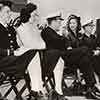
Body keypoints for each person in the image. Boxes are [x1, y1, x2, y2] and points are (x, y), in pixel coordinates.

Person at [0, 1, 36, 100]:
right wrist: (10, 52)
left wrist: (20, 49)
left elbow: (15, 46)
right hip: (3, 61)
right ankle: (35, 90)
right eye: (7, 12)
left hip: (12, 59)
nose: (10, 14)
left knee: (32, 53)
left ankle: (35, 91)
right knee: (31, 55)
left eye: (10, 12)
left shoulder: (10, 29)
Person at [65, 14, 100, 99]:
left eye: (74, 23)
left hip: (81, 59)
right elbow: (69, 50)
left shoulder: (78, 35)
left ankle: (90, 88)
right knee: (87, 58)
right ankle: (92, 87)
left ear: (77, 24)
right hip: (72, 60)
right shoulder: (67, 35)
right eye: (70, 23)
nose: (72, 25)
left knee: (86, 60)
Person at [16, 3, 46, 100]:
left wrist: (37, 45)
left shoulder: (34, 28)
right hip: (22, 57)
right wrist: (38, 45)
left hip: (33, 55)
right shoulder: (21, 28)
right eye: (34, 15)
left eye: (36, 15)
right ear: (27, 15)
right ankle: (37, 90)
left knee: (35, 53)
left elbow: (42, 44)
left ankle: (35, 91)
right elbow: (29, 45)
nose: (35, 18)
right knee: (34, 53)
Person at [41, 12, 69, 100]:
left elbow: (61, 42)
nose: (60, 24)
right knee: (84, 51)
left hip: (57, 56)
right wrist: (64, 38)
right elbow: (58, 42)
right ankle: (58, 91)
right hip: (51, 60)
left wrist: (63, 40)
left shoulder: (53, 32)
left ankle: (58, 91)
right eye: (58, 21)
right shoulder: (46, 31)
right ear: (53, 22)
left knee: (84, 53)